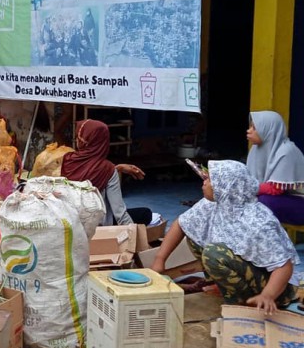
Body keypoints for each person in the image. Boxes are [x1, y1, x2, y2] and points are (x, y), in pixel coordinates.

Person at [151, 160, 298, 313]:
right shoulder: (215, 204)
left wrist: (268, 295)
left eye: (209, 180)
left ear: (225, 188)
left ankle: (240, 302)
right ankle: (222, 286)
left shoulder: (258, 222)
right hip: (247, 271)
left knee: (214, 254)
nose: (204, 183)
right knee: (194, 234)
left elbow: (284, 266)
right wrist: (159, 260)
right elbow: (180, 224)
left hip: (274, 289)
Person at [61, 119, 151, 225]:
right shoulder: (107, 169)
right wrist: (133, 237)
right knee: (146, 213)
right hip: (97, 227)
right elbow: (120, 214)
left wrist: (116, 168)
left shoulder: (67, 160)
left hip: (70, 223)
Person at [246, 110, 304, 226]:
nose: (249, 131)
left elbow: (276, 188)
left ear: (268, 130)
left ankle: (265, 242)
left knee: (263, 202)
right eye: (250, 127)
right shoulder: (256, 150)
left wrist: (245, 187)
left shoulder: (287, 151)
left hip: (299, 203)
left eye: (254, 128)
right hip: (279, 199)